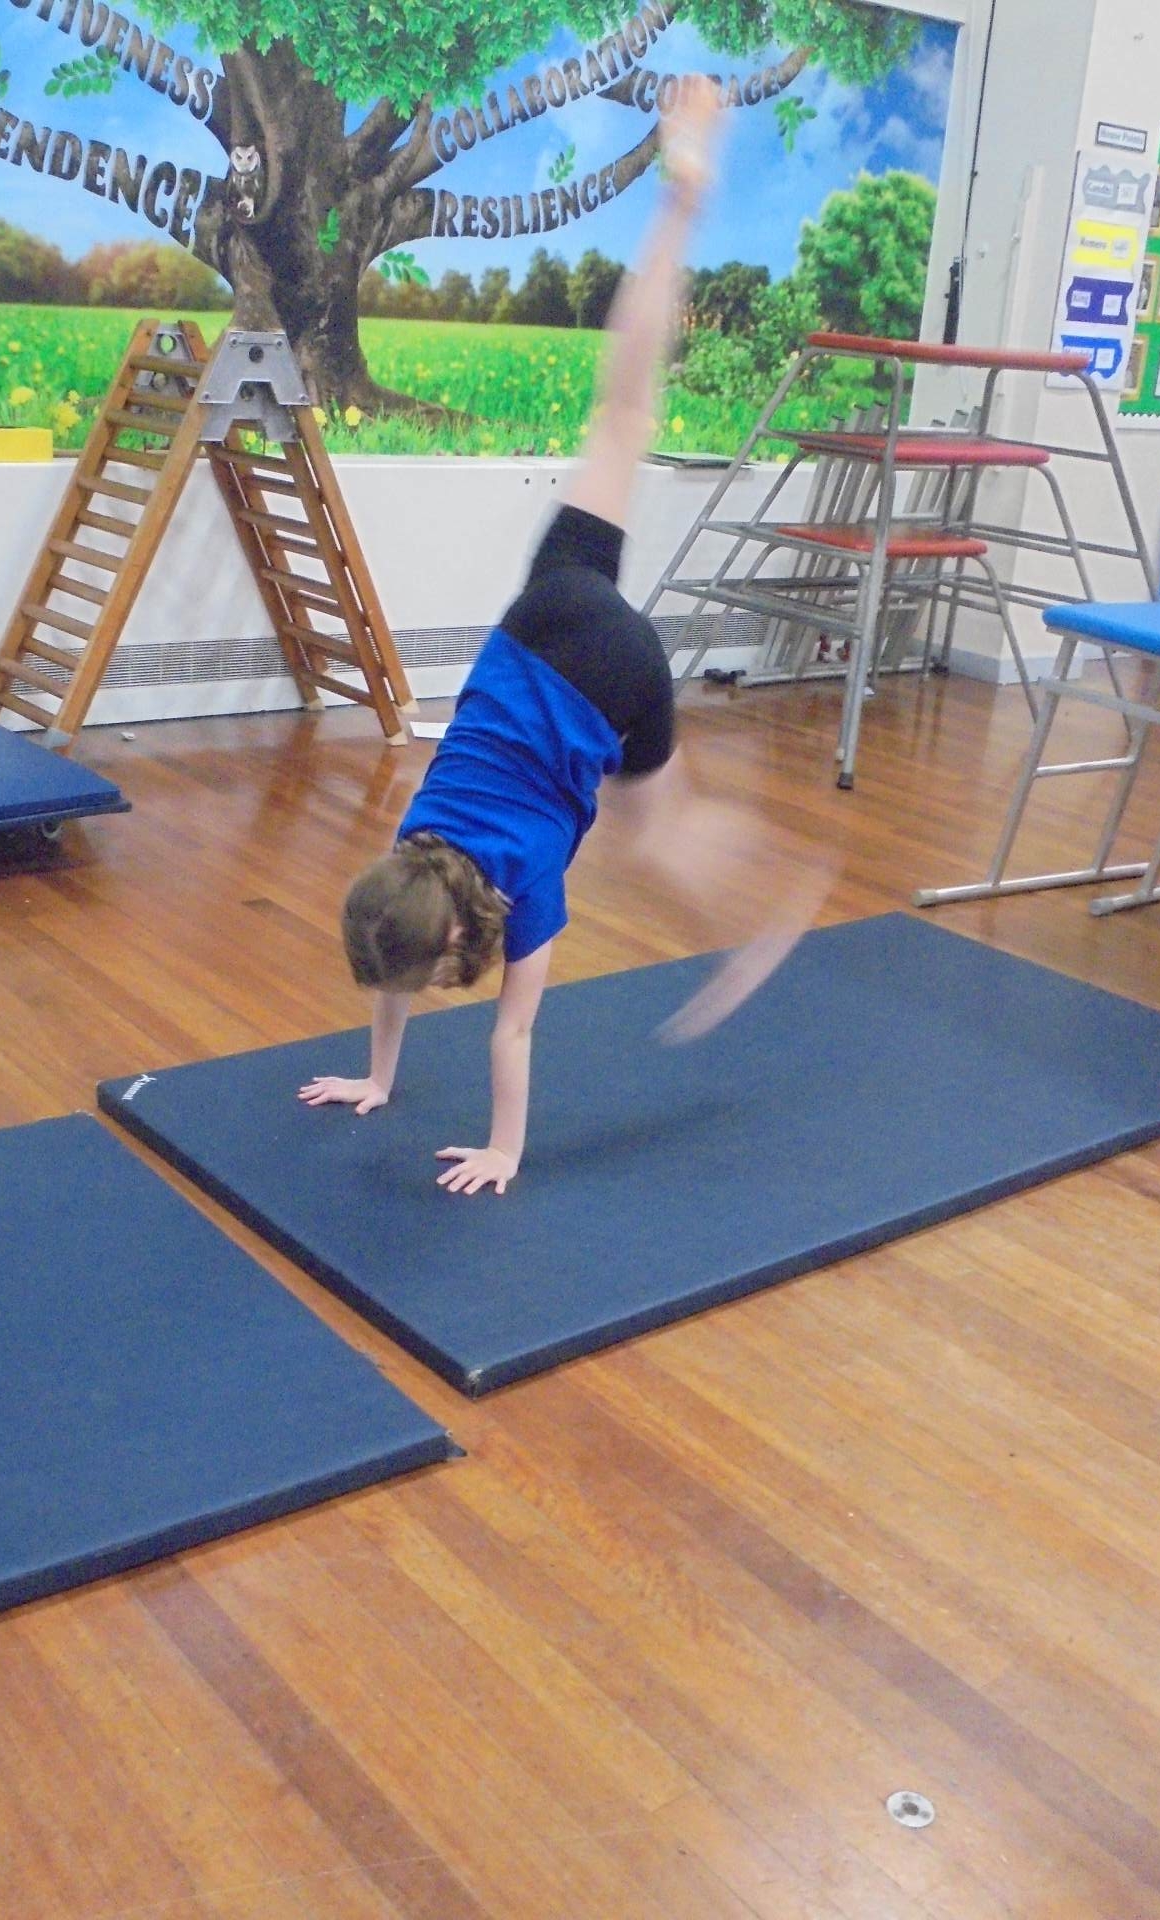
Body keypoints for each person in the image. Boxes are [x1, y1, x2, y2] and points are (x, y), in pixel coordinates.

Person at [299, 78, 829, 1194]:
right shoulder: (412, 846)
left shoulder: (522, 892)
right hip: (550, 615)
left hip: (621, 675)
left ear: (457, 941)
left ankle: (761, 896)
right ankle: (679, 201)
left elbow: (514, 1034)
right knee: (620, 415)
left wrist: (503, 1151)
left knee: (657, 835)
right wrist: (375, 1079)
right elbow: (397, 960)